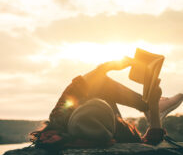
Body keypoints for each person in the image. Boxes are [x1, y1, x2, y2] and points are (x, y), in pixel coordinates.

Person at [30, 58, 183, 148]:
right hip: (108, 124)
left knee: (97, 84)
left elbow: (78, 85)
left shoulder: (59, 119)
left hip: (98, 120)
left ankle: (146, 107)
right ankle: (149, 108)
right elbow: (152, 140)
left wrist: (108, 66)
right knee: (98, 84)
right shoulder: (122, 134)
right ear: (114, 120)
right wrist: (154, 105)